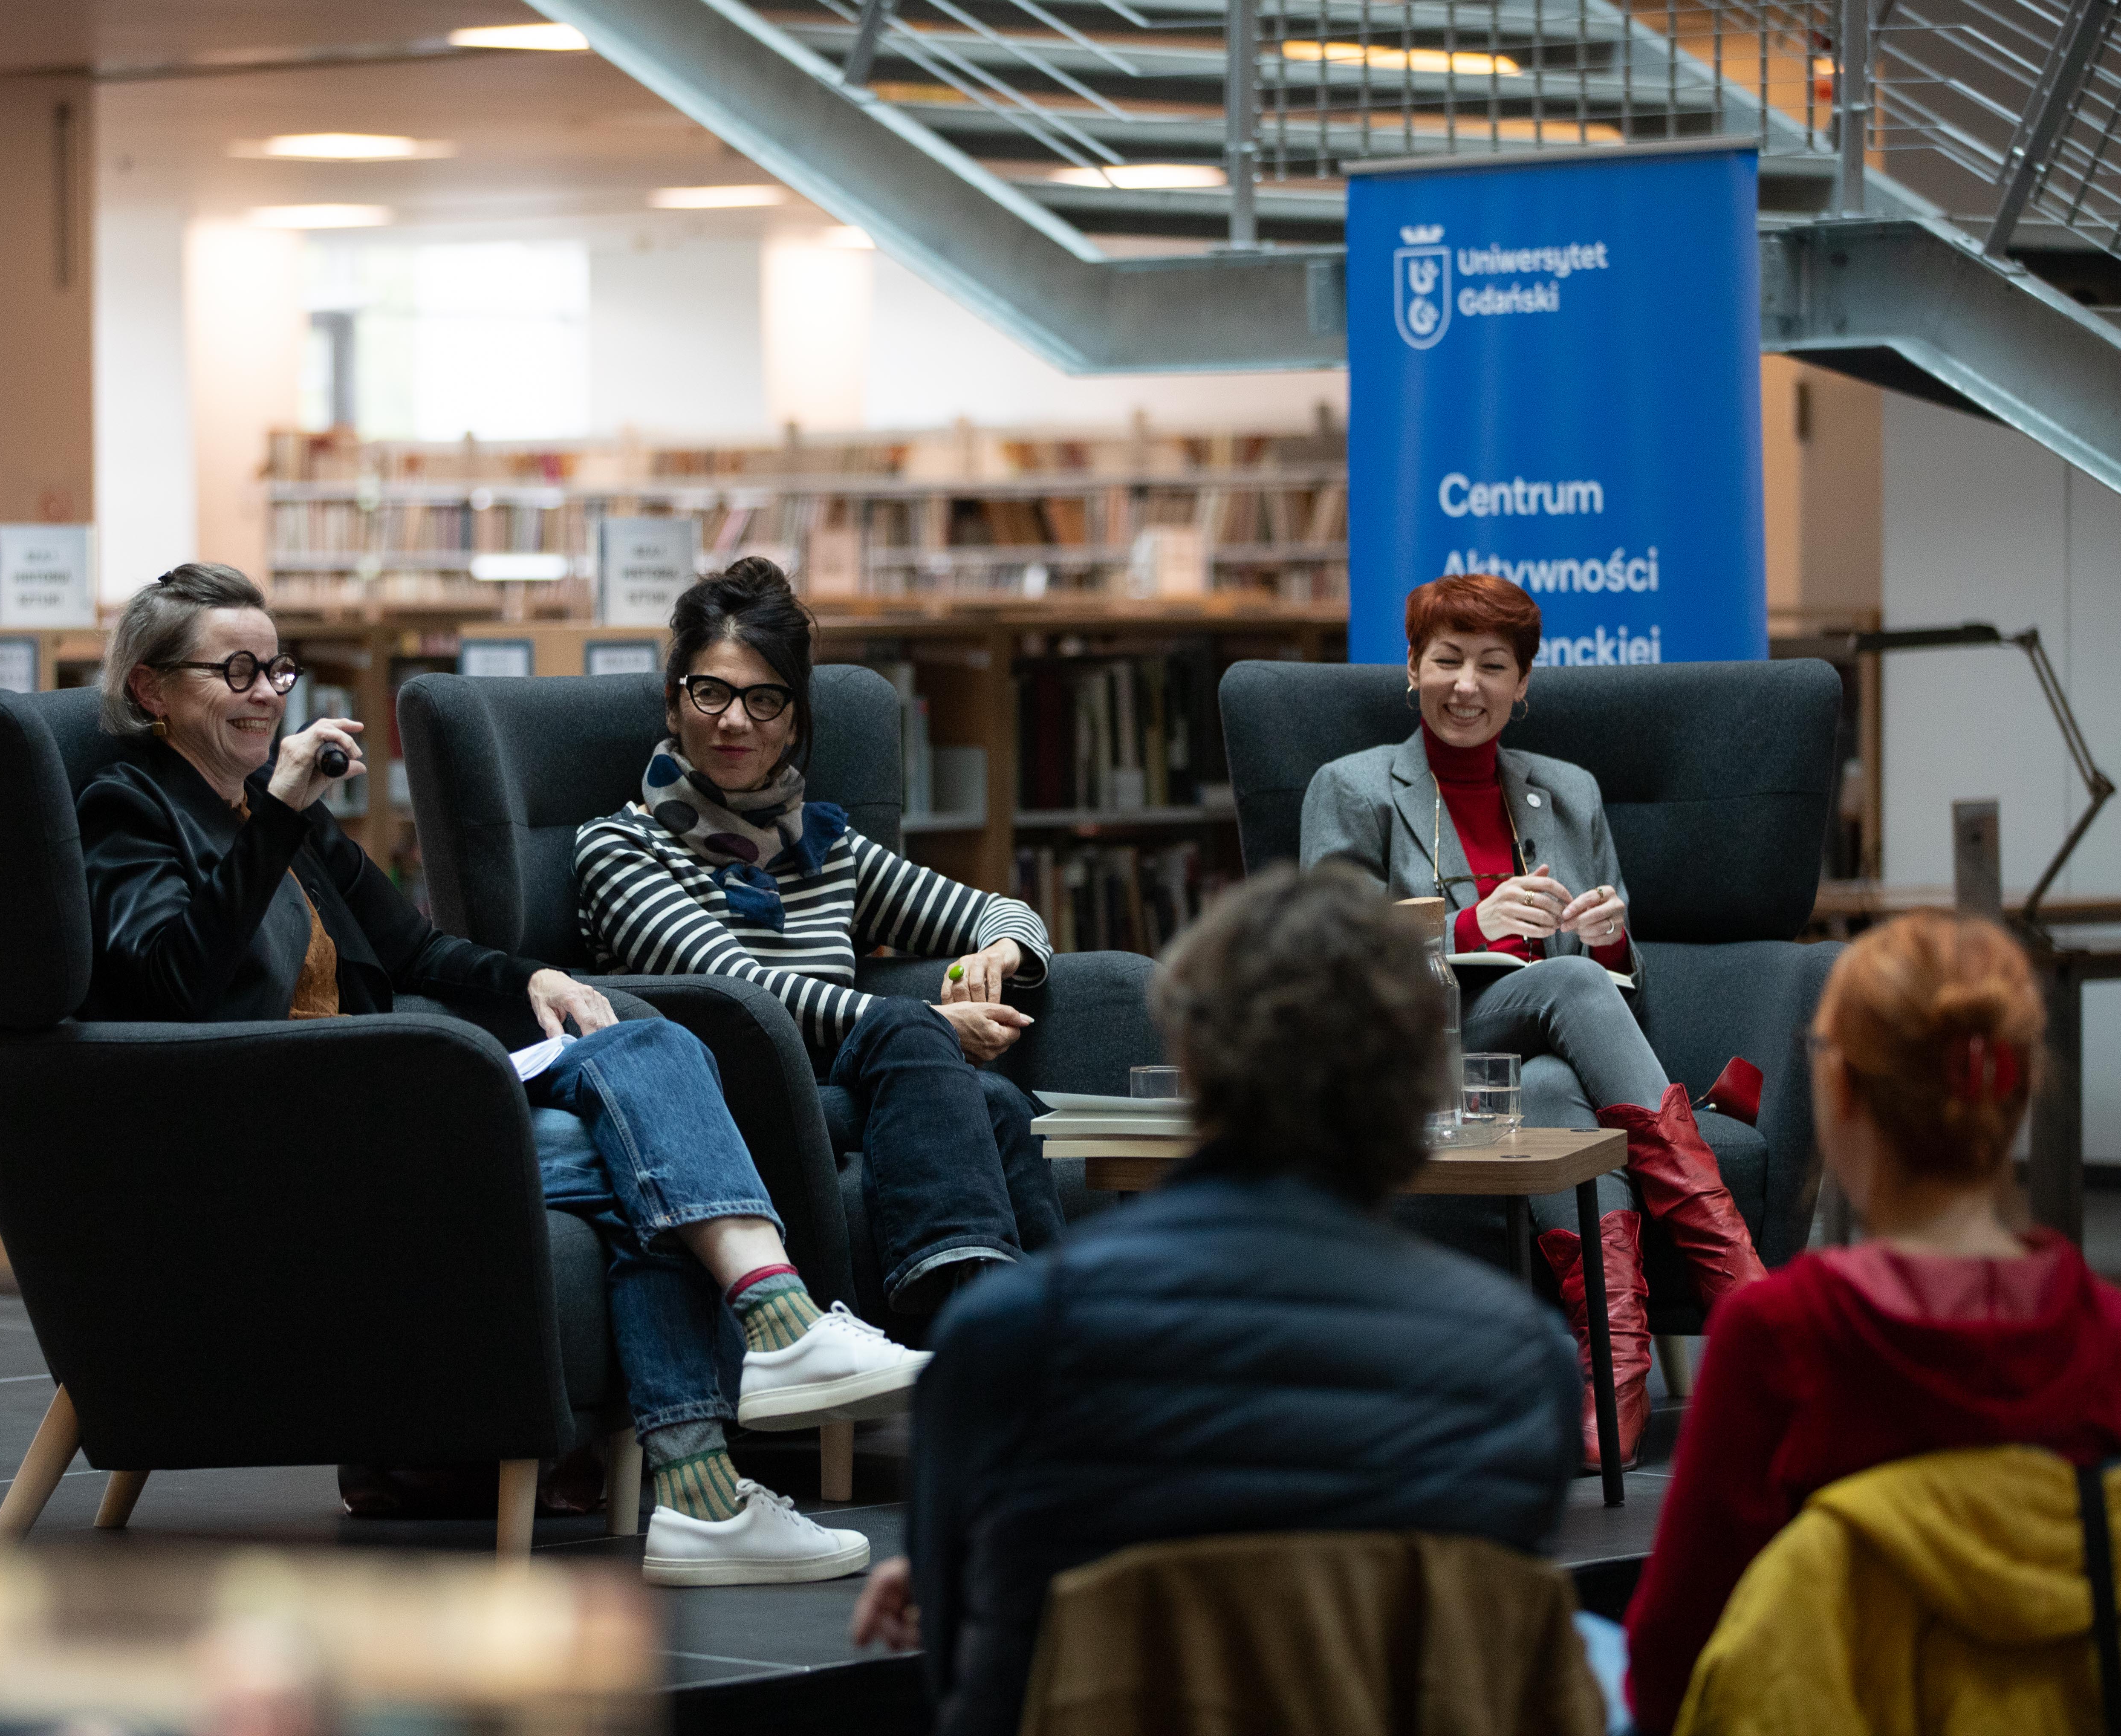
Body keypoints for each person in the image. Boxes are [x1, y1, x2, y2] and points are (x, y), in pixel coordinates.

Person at [77, 561, 927, 1586]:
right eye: (237, 672)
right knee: (642, 1150)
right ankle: (754, 1382)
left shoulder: (278, 817)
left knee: (651, 1064)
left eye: (276, 670)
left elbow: (417, 952)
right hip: (270, 1124)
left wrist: (536, 978)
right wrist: (282, 813)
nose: (266, 694)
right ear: (151, 689)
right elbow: (170, 979)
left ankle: (719, 1460)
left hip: (366, 1095)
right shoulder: (131, 809)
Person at [850, 863, 1581, 1736]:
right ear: (1427, 1088)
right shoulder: (1525, 1365)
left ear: (1189, 1062)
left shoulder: (1005, 1337)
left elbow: (956, 1648)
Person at [1299, 572, 1766, 1468]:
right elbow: (1332, 954)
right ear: (1411, 669)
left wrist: (1609, 937)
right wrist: (1470, 927)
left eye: (1491, 666)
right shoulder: (1351, 788)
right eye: (1446, 660)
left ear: (1523, 686)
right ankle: (1740, 1287)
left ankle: (1615, 1373)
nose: (1465, 685)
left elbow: (1619, 979)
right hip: (1414, 1052)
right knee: (1574, 991)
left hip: (1543, 1050)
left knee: (1552, 1082)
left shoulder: (1569, 792)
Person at [1623, 909, 2121, 1734]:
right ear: (2015, 1088)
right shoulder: (2106, 1340)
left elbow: (1674, 1658)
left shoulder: (1779, 1342)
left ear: (1842, 1093)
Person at [574, 557, 1062, 1317]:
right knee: (920, 1042)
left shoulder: (824, 849)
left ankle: (1045, 1339)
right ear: (674, 705)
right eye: (711, 692)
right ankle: (959, 1310)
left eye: (764, 699)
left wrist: (1000, 955)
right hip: (722, 1102)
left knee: (997, 1100)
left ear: (795, 721)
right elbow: (737, 991)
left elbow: (1005, 912)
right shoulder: (618, 848)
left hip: (851, 1085)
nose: (735, 721)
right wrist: (930, 1023)